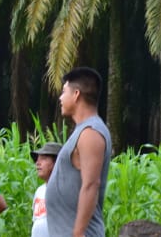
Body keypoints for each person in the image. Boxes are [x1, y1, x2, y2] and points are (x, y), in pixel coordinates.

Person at [46, 67, 112, 237]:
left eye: (64, 92)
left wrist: (78, 233)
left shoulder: (91, 132)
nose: (60, 98)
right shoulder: (82, 131)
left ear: (76, 94)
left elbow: (91, 184)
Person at [29, 142, 61, 237]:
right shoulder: (39, 191)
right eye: (37, 159)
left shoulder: (65, 190)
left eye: (43, 158)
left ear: (57, 162)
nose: (37, 163)